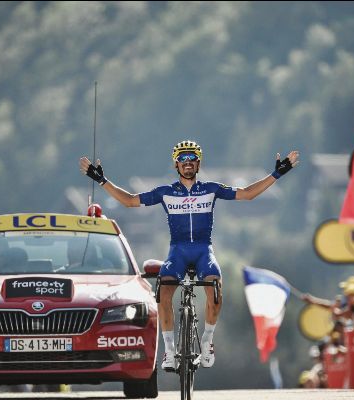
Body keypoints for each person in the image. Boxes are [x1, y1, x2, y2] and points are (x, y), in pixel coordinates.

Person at [79, 140, 299, 371]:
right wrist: (101, 180)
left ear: (198, 163)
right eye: (182, 159)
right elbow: (130, 200)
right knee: (164, 292)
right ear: (176, 165)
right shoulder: (165, 192)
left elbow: (247, 194)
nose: (187, 163)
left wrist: (277, 173)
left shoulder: (211, 189)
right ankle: (170, 352)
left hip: (204, 250)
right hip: (178, 251)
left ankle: (207, 341)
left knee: (215, 287)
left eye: (191, 158)